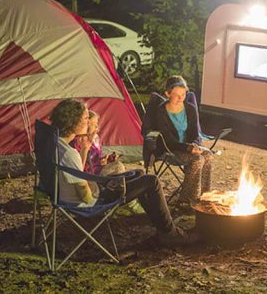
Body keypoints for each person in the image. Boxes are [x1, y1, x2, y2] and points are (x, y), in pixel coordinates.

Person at [50, 99, 196, 246]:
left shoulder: (56, 143)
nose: (88, 122)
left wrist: (86, 155)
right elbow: (87, 198)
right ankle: (170, 233)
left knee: (139, 173)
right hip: (91, 201)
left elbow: (77, 174)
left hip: (76, 193)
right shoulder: (69, 154)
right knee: (152, 181)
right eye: (86, 118)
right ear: (74, 121)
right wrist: (100, 186)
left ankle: (159, 224)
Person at [153, 75, 212, 204]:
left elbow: (196, 134)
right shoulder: (161, 112)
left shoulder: (190, 109)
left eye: (183, 94)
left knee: (207, 155)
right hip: (171, 149)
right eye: (177, 95)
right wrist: (187, 148)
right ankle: (187, 200)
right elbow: (168, 140)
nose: (181, 98)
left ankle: (204, 195)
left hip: (189, 148)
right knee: (197, 160)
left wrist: (195, 145)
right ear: (168, 93)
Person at [71, 110, 126, 176]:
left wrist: (108, 160)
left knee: (138, 172)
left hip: (98, 169)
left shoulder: (95, 139)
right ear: (85, 125)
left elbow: (99, 159)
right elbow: (79, 166)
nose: (97, 127)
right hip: (90, 173)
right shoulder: (78, 142)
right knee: (118, 166)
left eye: (97, 124)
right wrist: (86, 147)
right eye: (93, 124)